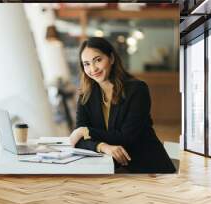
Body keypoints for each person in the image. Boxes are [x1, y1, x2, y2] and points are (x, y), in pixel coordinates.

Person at [69, 37, 176, 173]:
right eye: (86, 64)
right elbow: (78, 140)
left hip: (148, 170)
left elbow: (126, 137)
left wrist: (87, 131)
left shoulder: (137, 90)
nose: (93, 68)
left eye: (98, 60)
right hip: (110, 168)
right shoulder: (85, 96)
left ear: (112, 58)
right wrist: (103, 147)